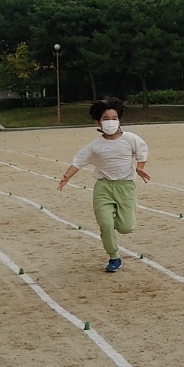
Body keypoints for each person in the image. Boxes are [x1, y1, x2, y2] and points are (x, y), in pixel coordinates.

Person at [57, 97, 150, 273]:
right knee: (105, 224)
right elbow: (79, 160)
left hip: (125, 187)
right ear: (98, 121)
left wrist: (139, 168)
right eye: (106, 119)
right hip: (103, 188)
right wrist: (67, 176)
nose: (110, 122)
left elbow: (142, 153)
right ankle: (114, 257)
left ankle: (114, 221)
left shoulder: (131, 138)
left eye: (114, 118)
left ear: (119, 119)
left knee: (126, 227)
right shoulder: (95, 145)